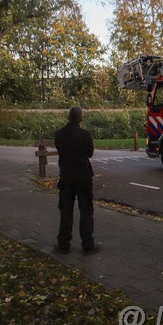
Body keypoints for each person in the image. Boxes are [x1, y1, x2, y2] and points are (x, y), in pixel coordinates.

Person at [53, 106, 100, 255]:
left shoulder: (58, 134)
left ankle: (63, 244)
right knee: (86, 210)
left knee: (65, 210)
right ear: (80, 118)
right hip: (83, 178)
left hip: (66, 177)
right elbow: (90, 153)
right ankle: (88, 245)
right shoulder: (85, 135)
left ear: (68, 117)